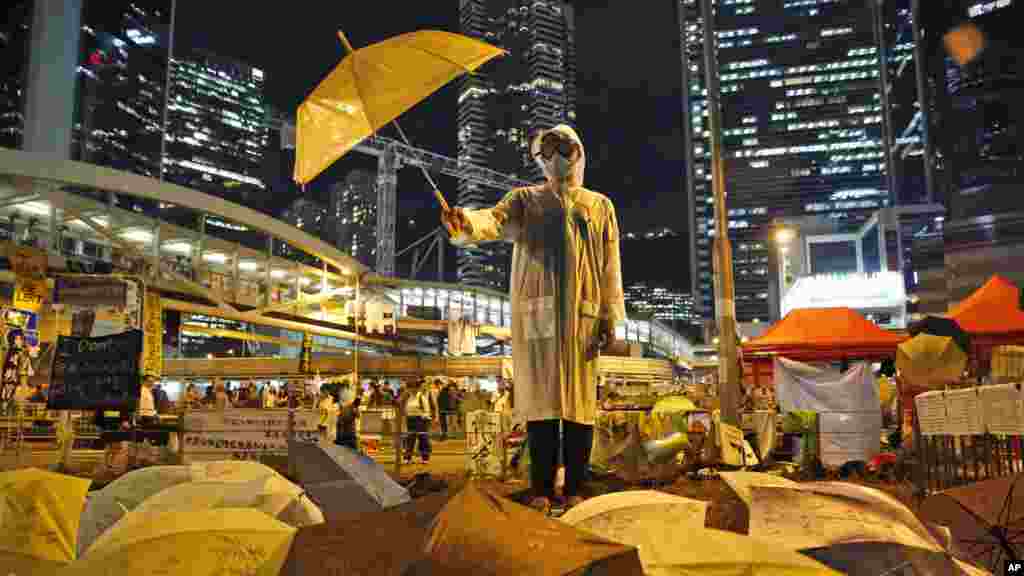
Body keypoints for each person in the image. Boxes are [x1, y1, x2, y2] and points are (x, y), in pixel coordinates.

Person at [442, 124, 625, 513]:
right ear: (538, 158)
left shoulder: (599, 205)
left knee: (579, 407)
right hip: (536, 313)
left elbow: (611, 267)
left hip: (584, 317)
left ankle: (576, 486)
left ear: (579, 152)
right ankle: (541, 487)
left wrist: (612, 317)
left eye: (564, 148)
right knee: (541, 405)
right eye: (548, 151)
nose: (557, 157)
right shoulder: (524, 200)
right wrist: (465, 223)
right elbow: (492, 221)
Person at [403, 379, 434, 464]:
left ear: (417, 388)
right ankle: (407, 458)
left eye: (414, 388)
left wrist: (424, 418)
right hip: (410, 419)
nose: (412, 390)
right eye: (410, 388)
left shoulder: (421, 397)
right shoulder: (408, 397)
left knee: (423, 439)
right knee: (410, 439)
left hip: (421, 420)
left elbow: (427, 410)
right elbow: (405, 408)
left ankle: (425, 458)